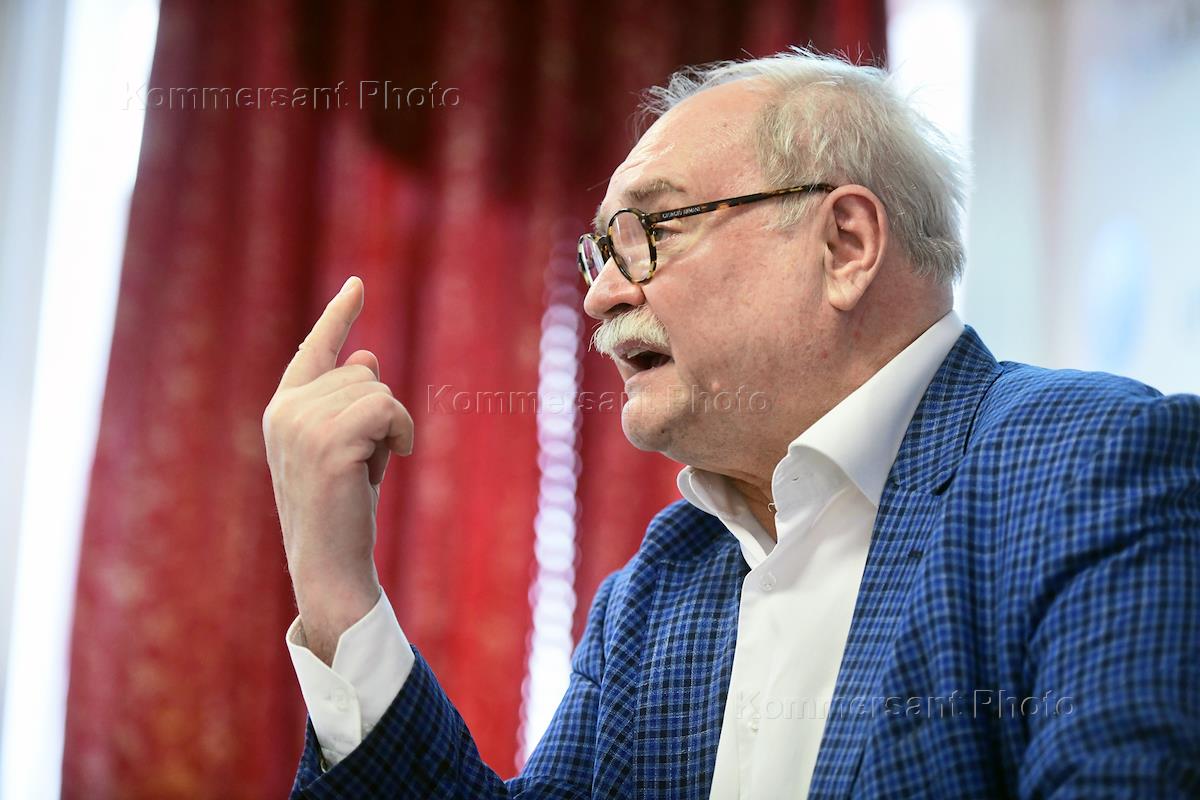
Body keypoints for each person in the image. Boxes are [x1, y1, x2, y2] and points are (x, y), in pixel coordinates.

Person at [263, 49, 1200, 799]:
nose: (600, 295)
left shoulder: (1096, 466)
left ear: (845, 245)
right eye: (600, 251)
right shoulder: (660, 586)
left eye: (652, 232)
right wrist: (338, 592)